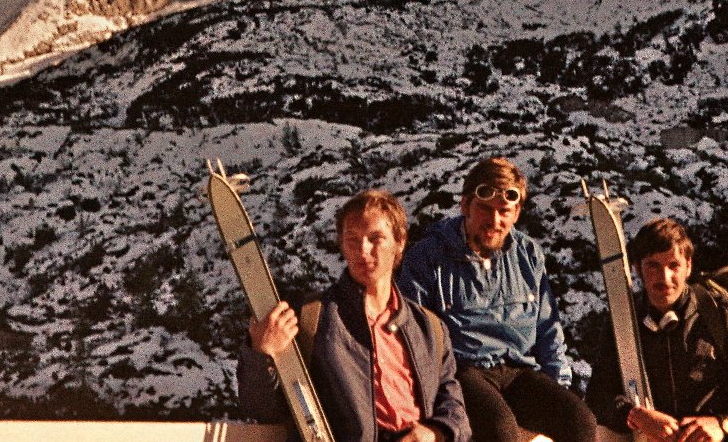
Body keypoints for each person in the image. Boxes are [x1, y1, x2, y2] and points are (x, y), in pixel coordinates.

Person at [239, 188, 470, 442]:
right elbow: (260, 408)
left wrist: (434, 433)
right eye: (352, 239)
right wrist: (260, 354)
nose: (363, 250)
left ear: (400, 241)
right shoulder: (311, 319)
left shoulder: (430, 328)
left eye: (376, 238)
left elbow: (453, 405)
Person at [396, 157, 597, 442]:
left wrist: (557, 387)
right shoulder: (428, 257)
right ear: (465, 205)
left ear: (516, 213)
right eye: (485, 209)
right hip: (464, 372)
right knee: (501, 428)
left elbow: (548, 330)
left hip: (518, 370)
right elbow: (415, 338)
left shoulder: (528, 255)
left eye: (504, 211)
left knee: (580, 419)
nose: (494, 220)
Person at [586, 217, 728, 442]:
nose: (665, 277)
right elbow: (597, 395)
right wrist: (635, 415)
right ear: (637, 269)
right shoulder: (623, 322)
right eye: (653, 265)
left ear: (688, 266)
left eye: (674, 265)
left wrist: (724, 423)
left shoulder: (721, 313)